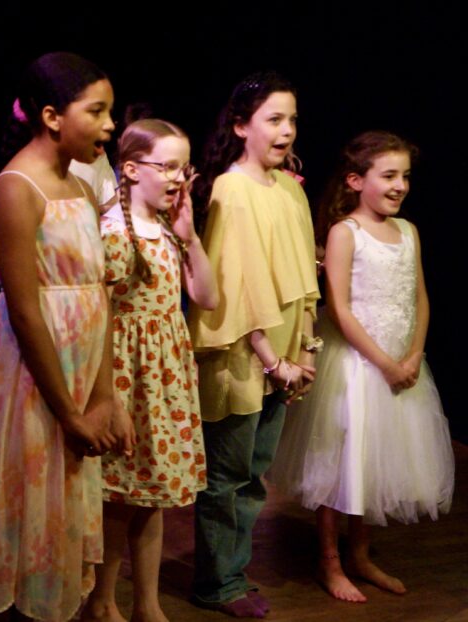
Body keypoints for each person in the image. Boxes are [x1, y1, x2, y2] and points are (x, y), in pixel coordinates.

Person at [0, 52, 133, 622]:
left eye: (110, 112)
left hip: (81, 368)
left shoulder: (80, 183)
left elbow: (97, 295)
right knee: (25, 501)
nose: (109, 125)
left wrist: (103, 397)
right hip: (34, 377)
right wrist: (69, 413)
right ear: (52, 116)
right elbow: (25, 313)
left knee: (63, 506)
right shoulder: (16, 189)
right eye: (96, 111)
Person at [269, 130, 454, 602]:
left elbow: (420, 297)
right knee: (342, 463)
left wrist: (413, 354)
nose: (400, 186)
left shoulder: (408, 231)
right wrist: (383, 363)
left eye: (405, 176)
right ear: (356, 180)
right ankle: (329, 561)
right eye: (388, 175)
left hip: (400, 364)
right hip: (354, 366)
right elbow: (341, 309)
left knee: (374, 465)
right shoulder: (344, 232)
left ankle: (361, 554)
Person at [187, 72, 320, 618]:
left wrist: (306, 353)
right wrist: (274, 361)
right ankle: (217, 583)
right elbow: (233, 290)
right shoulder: (231, 190)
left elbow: (305, 279)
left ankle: (233, 573)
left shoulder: (289, 187)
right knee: (227, 477)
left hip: (285, 360)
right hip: (246, 358)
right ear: (242, 126)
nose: (287, 130)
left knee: (254, 474)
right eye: (274, 118)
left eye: (291, 119)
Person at [83, 116, 217, 622]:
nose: (180, 177)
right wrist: (105, 396)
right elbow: (100, 318)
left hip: (165, 379)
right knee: (119, 497)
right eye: (169, 166)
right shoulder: (112, 232)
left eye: (186, 167)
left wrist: (191, 237)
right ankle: (102, 599)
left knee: (152, 495)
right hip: (126, 377)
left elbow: (206, 296)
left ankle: (148, 603)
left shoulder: (166, 229)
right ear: (133, 169)